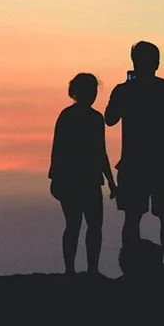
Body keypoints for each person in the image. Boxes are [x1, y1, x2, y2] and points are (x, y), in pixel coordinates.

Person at [105, 41, 164, 272]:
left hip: (135, 164)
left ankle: (131, 269)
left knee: (133, 218)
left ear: (134, 62)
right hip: (163, 164)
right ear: (157, 63)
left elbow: (109, 118)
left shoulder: (124, 90)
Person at [48, 73, 117, 275]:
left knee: (88, 226)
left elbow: (100, 151)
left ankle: (88, 269)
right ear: (77, 92)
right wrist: (56, 178)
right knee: (79, 225)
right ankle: (76, 269)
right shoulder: (75, 117)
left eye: (94, 90)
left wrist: (110, 181)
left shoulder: (91, 118)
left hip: (86, 180)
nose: (93, 94)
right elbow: (59, 149)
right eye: (90, 90)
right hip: (76, 180)